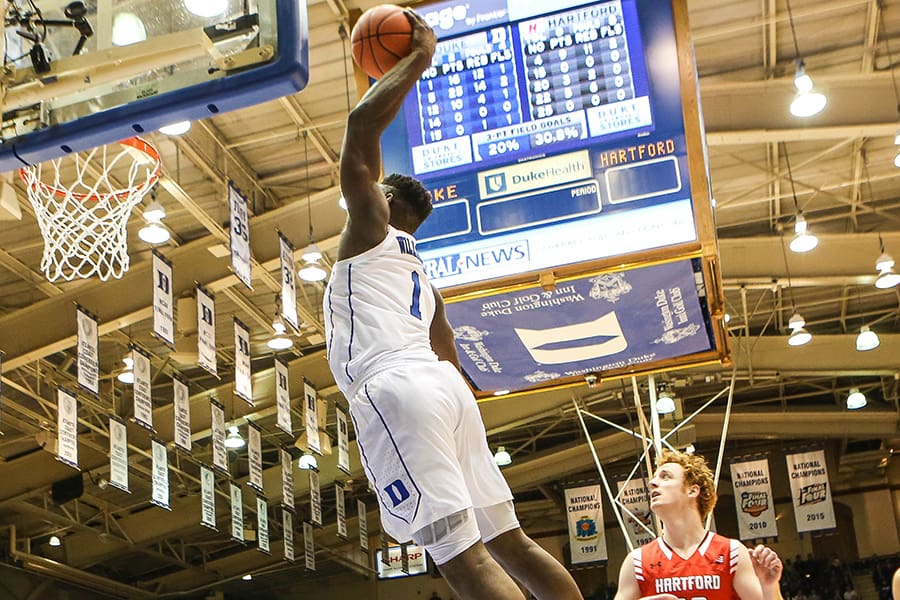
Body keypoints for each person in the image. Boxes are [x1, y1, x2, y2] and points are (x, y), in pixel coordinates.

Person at [323, 9, 582, 600]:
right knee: (509, 542)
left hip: (397, 388)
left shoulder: (369, 227)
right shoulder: (419, 271)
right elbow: (449, 352)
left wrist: (417, 57)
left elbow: (361, 128)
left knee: (460, 557)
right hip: (446, 390)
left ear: (384, 203)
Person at [614, 449, 784, 600]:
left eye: (665, 476)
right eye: (654, 478)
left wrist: (769, 586)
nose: (652, 483)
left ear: (692, 490)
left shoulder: (732, 553)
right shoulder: (637, 562)